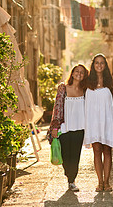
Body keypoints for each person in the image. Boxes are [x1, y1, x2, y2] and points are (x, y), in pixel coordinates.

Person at [84, 53, 113, 192]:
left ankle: (107, 182)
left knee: (107, 151)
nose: (99, 65)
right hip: (93, 121)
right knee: (97, 150)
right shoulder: (87, 82)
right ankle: (99, 182)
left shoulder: (110, 82)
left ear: (105, 66)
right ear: (93, 65)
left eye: (102, 63)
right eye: (97, 63)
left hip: (107, 119)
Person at [47, 64, 88, 192]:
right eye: (77, 71)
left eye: (82, 72)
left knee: (75, 156)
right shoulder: (63, 88)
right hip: (65, 127)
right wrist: (54, 127)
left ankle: (72, 180)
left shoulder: (86, 90)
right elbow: (57, 107)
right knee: (65, 155)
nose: (79, 74)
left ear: (84, 75)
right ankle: (68, 174)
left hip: (80, 127)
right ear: (72, 73)